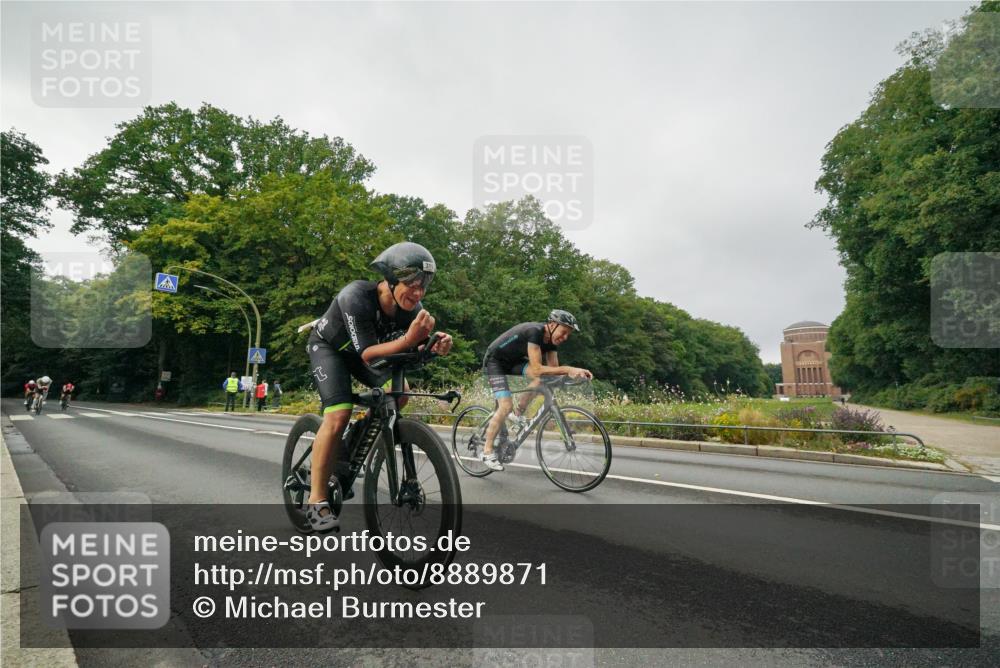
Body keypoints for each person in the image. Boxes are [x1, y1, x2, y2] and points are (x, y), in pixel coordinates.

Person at [304, 241, 453, 531]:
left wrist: (434, 346)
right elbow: (369, 354)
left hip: (365, 352)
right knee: (338, 413)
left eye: (423, 286)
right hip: (330, 349)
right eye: (412, 285)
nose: (418, 293)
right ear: (391, 279)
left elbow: (411, 349)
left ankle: (352, 445)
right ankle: (316, 500)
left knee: (401, 395)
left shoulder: (412, 308)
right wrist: (410, 340)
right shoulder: (356, 296)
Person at [480, 310, 592, 471]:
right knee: (505, 405)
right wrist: (568, 369)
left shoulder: (551, 341)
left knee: (542, 379)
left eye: (569, 334)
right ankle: (487, 451)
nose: (565, 337)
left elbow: (552, 371)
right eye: (564, 332)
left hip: (513, 362)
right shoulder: (535, 332)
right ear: (552, 325)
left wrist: (575, 376)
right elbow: (539, 368)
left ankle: (517, 414)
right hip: (495, 361)